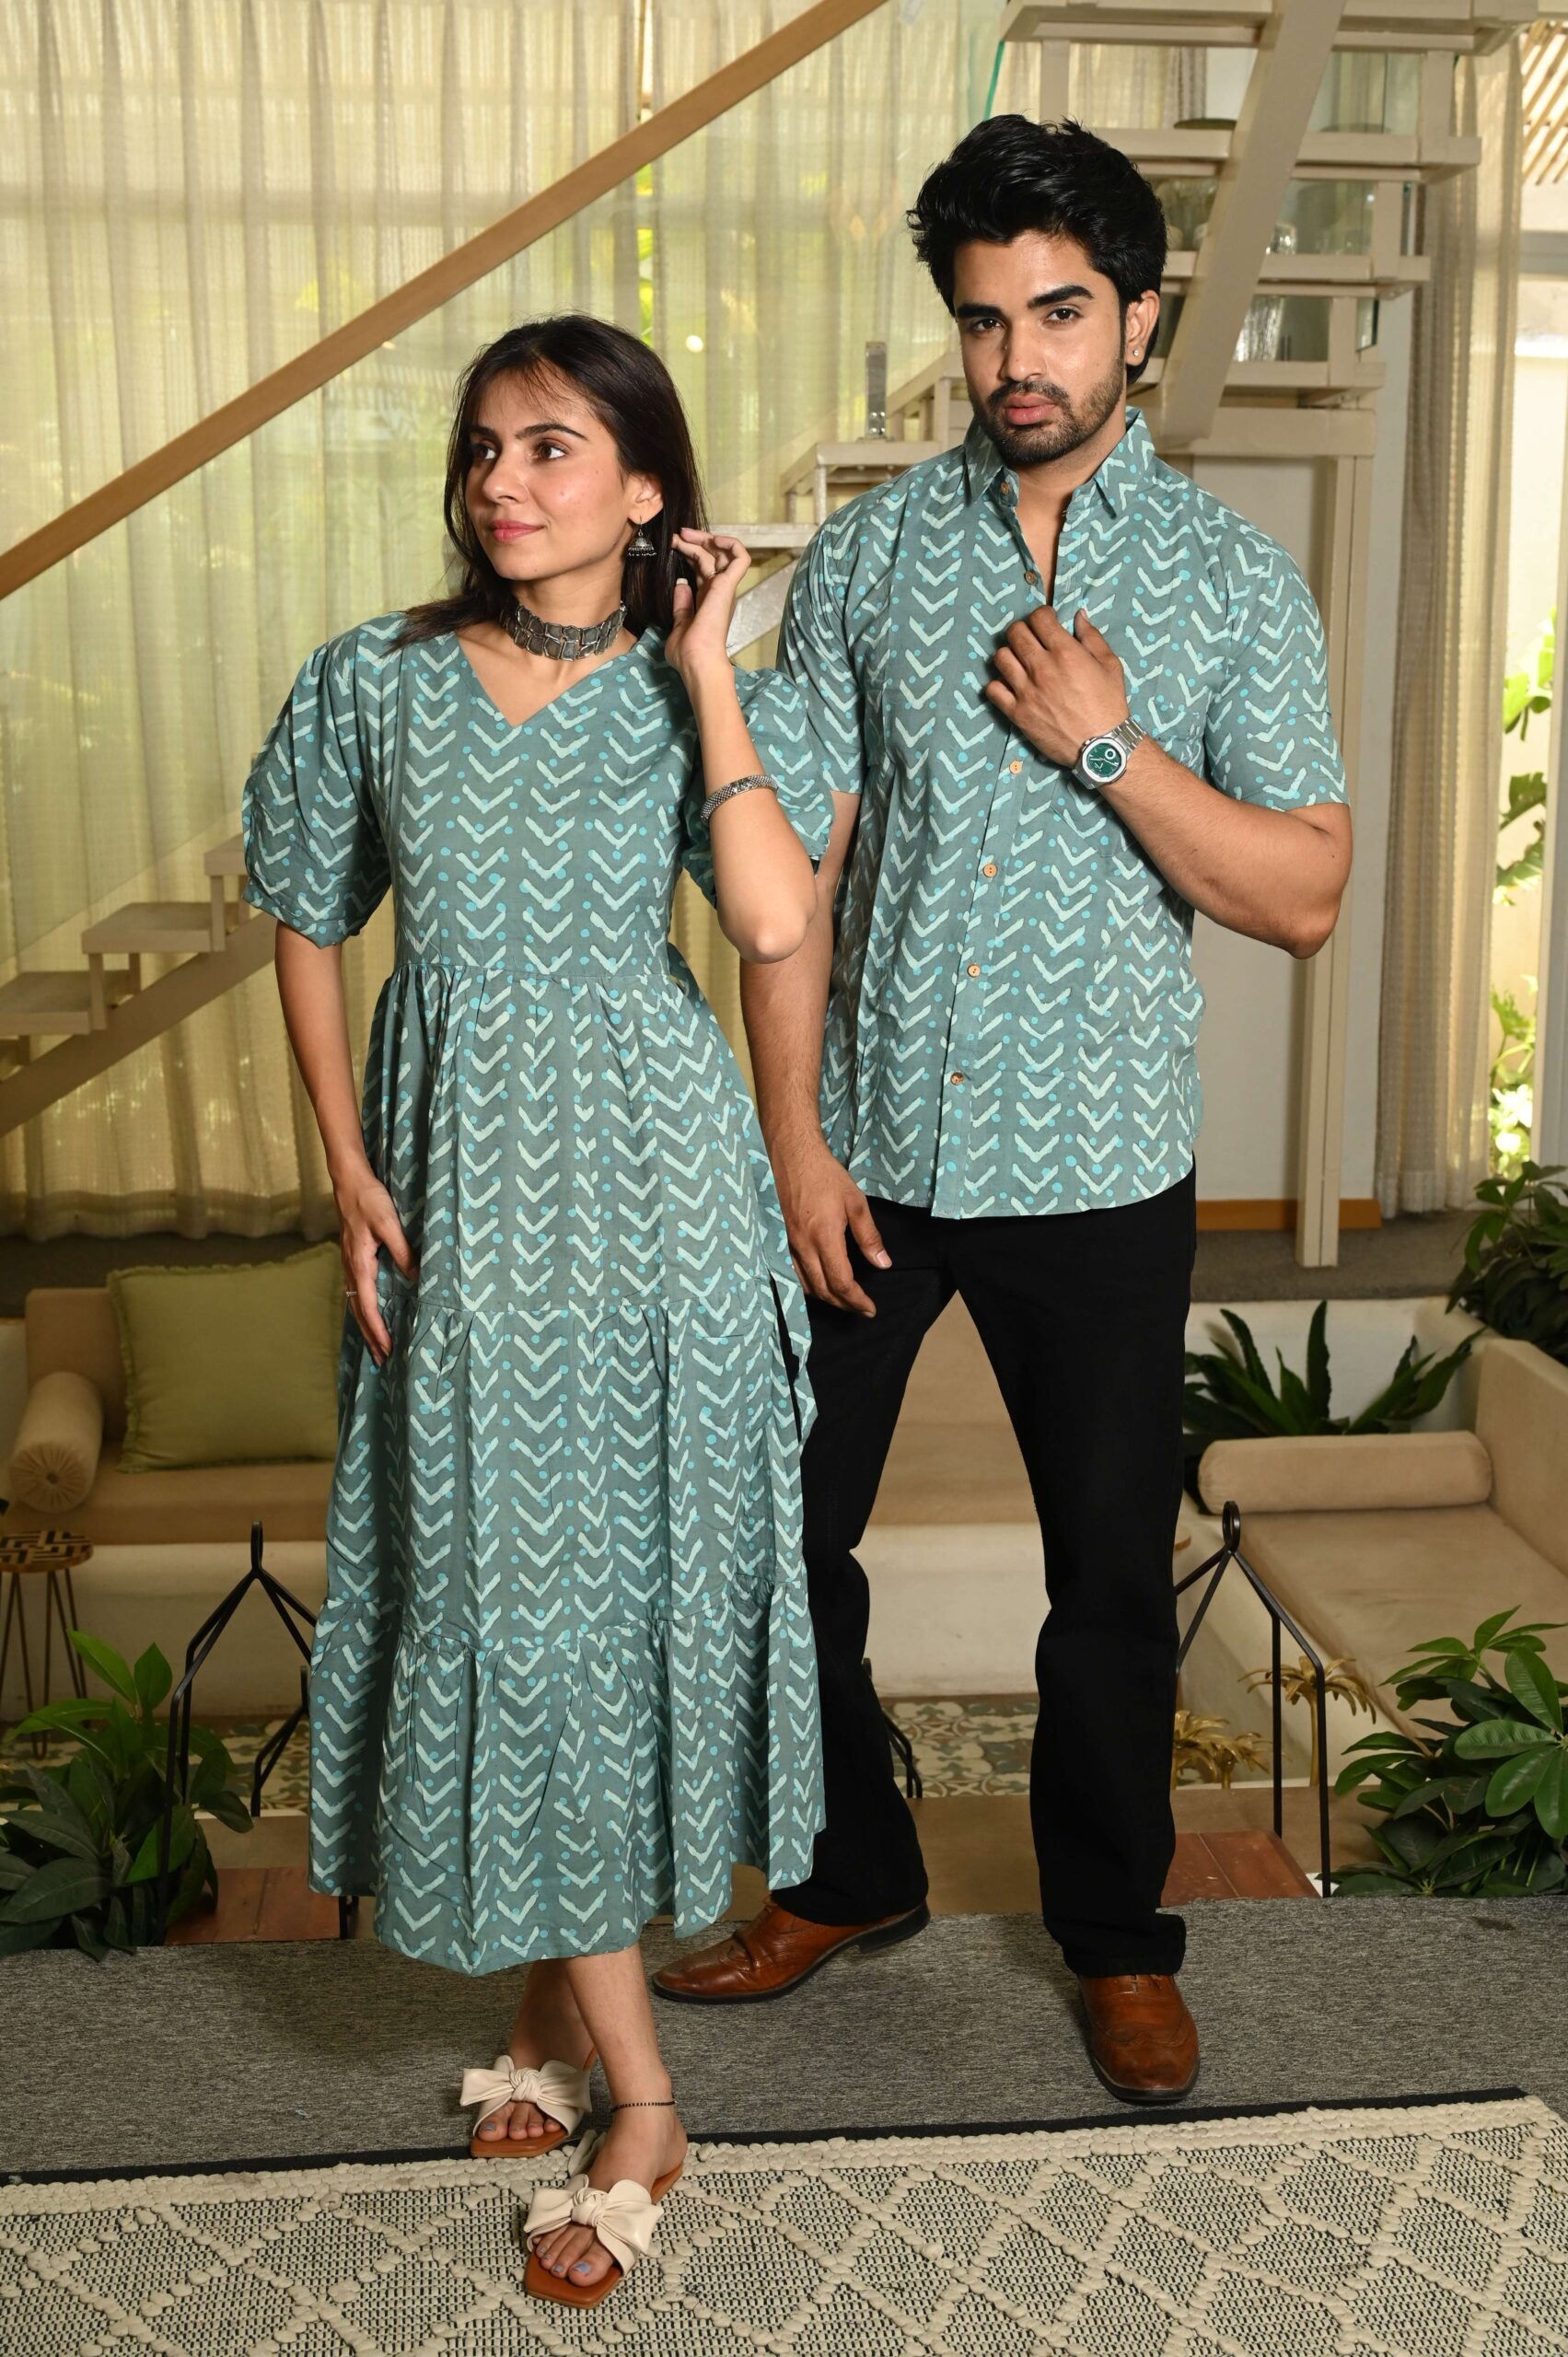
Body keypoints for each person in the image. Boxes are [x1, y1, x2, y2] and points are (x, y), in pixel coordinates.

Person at [653, 116, 1353, 2104]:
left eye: (1055, 313)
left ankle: (1118, 1940)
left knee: (1110, 1586)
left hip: (1104, 1162)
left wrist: (1108, 742)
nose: (1015, 358)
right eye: (981, 320)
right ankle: (851, 1872)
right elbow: (788, 877)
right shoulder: (875, 560)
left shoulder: (1232, 583)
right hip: (872, 1150)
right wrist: (795, 1142)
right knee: (775, 1541)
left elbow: (1303, 891)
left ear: (1140, 317)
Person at [239, 313, 835, 2303]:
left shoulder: (704, 692)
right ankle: (563, 2011)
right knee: (504, 1581)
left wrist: (706, 668)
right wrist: (346, 1161)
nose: (503, 480)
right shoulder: (375, 679)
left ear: (647, 487)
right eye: (487, 446)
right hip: (460, 1198)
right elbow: (303, 911)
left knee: (598, 1587)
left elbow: (771, 918)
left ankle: (639, 2097)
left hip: (655, 1199)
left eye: (554, 446)